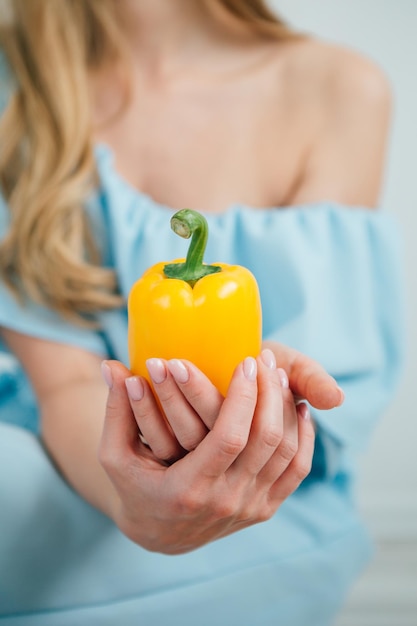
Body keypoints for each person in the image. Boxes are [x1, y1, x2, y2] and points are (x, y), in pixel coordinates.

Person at [0, 1, 404, 625]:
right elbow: (67, 384)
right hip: (70, 456)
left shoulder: (338, 89)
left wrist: (265, 404)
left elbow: (312, 409)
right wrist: (135, 501)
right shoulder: (18, 83)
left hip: (259, 499)